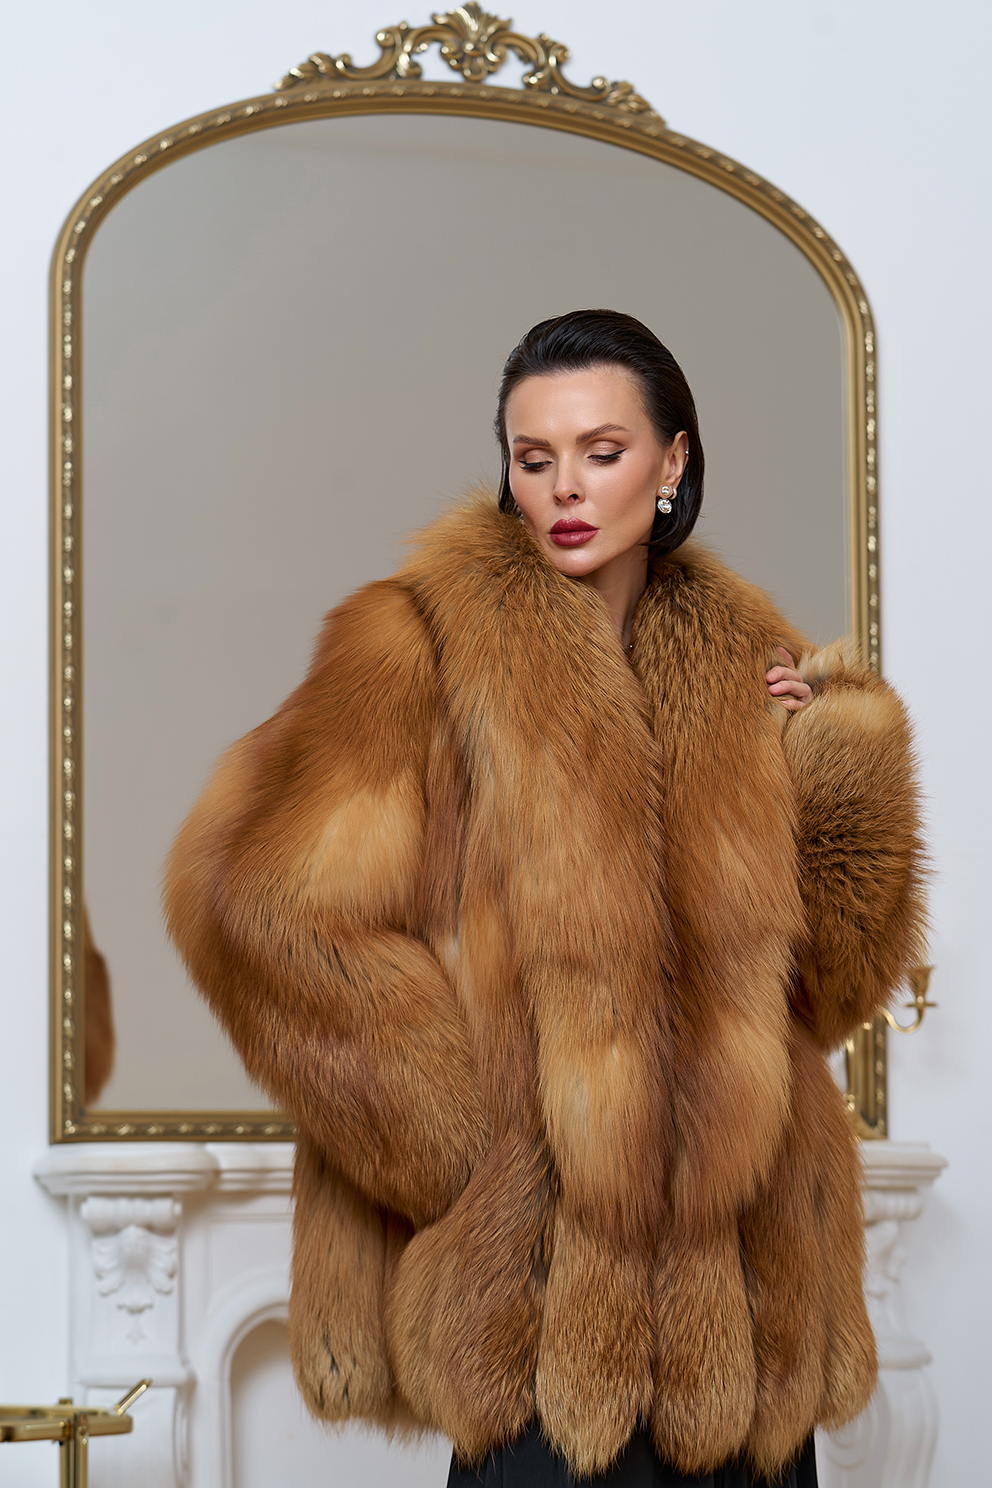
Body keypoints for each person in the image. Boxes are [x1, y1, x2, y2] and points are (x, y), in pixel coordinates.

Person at [164, 310, 924, 1486]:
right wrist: (467, 1146)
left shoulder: (745, 657)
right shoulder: (419, 644)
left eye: (601, 452)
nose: (564, 487)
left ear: (671, 462)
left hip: (741, 1316)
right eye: (533, 457)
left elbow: (822, 995)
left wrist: (827, 766)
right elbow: (250, 903)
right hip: (528, 1317)